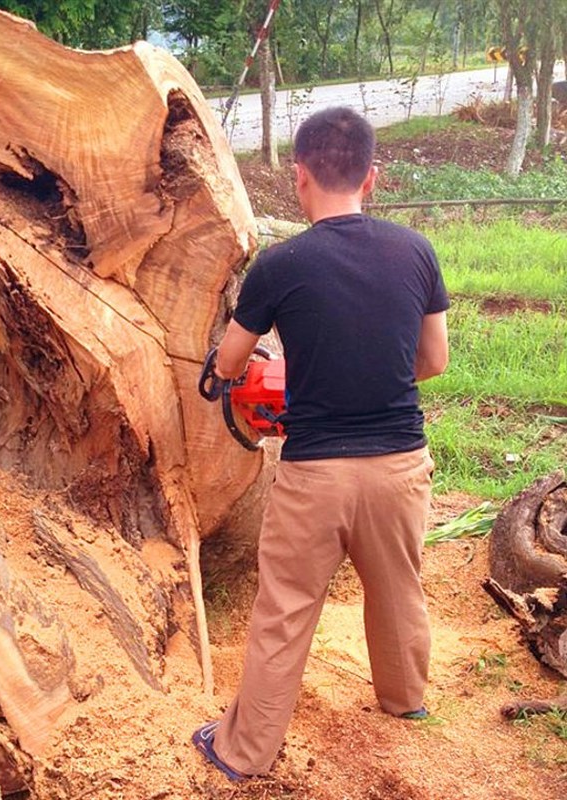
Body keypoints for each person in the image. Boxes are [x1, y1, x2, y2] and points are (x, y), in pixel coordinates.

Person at [192, 106, 450, 782]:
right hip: (399, 465)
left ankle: (243, 753)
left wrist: (222, 374)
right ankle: (406, 702)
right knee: (399, 589)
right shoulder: (416, 250)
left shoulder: (281, 266)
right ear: (373, 177)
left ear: (301, 177)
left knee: (285, 611)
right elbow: (433, 361)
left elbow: (230, 360)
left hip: (315, 475)